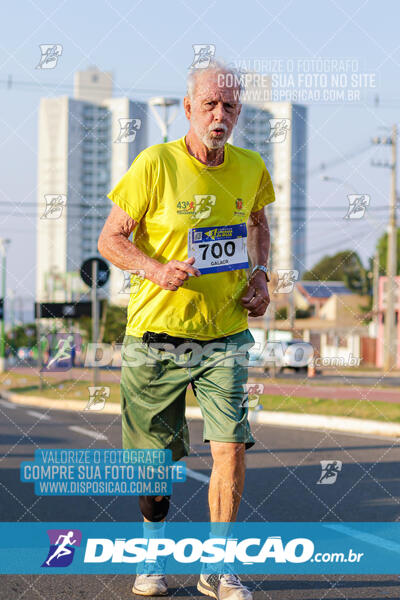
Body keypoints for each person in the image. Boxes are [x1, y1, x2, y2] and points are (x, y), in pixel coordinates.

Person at [98, 59, 275, 599]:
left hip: (223, 335)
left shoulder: (250, 166)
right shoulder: (154, 165)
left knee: (231, 448)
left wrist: (262, 273)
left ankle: (217, 568)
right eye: (210, 105)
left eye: (230, 106)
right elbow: (111, 239)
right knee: (153, 465)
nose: (219, 115)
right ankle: (151, 558)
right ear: (188, 108)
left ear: (239, 110)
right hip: (155, 336)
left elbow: (259, 224)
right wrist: (154, 269)